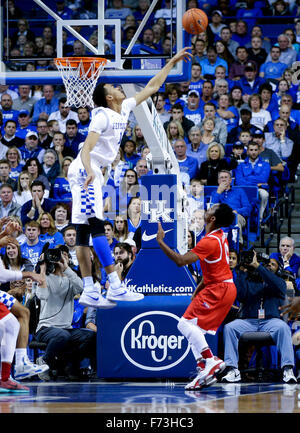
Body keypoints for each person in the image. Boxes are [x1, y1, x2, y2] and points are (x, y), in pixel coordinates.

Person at [67, 47, 192, 308]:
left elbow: (152, 86)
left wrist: (171, 62)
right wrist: (91, 171)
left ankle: (90, 289)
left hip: (87, 171)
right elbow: (87, 147)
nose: (120, 87)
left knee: (82, 231)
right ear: (109, 96)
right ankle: (115, 285)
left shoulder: (122, 107)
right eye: (114, 86)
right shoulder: (101, 116)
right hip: (86, 171)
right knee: (96, 226)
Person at [156, 203, 236, 390]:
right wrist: (199, 288)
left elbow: (180, 261)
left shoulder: (208, 241)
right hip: (222, 286)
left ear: (212, 219)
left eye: (210, 209)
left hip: (219, 289)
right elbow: (215, 267)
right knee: (193, 327)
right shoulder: (218, 236)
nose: (206, 209)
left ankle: (210, 360)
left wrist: (160, 242)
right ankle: (203, 369)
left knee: (183, 324)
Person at [221, 251, 297, 384]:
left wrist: (258, 266)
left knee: (283, 328)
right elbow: (239, 295)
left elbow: (281, 288)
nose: (267, 267)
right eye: (265, 265)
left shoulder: (277, 281)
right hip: (249, 321)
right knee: (229, 328)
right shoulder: (249, 280)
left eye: (270, 266)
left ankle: (287, 369)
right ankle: (232, 369)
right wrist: (243, 271)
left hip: (271, 321)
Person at [34, 247, 96, 381]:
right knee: (62, 335)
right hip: (45, 328)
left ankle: (67, 363)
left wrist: (66, 268)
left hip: (67, 329)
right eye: (57, 255)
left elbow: (81, 287)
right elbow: (42, 295)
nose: (60, 258)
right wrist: (43, 270)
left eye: (64, 255)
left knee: (90, 336)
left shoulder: (70, 279)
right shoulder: (46, 278)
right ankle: (45, 361)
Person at [211, 170, 251, 246]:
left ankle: (237, 245)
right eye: (221, 178)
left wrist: (236, 211)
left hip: (237, 216)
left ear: (230, 180)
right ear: (218, 181)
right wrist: (218, 192)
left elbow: (247, 208)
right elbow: (211, 208)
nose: (223, 179)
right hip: (220, 218)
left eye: (226, 177)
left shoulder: (239, 191)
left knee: (234, 218)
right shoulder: (215, 193)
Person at [235, 142, 271, 222]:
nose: (253, 152)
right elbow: (239, 181)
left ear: (259, 151)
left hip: (259, 189)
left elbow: (263, 179)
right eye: (251, 150)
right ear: (247, 151)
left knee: (264, 194)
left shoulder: (265, 164)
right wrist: (256, 184)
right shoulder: (241, 165)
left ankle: (260, 218)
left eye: (255, 150)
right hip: (244, 189)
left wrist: (247, 178)